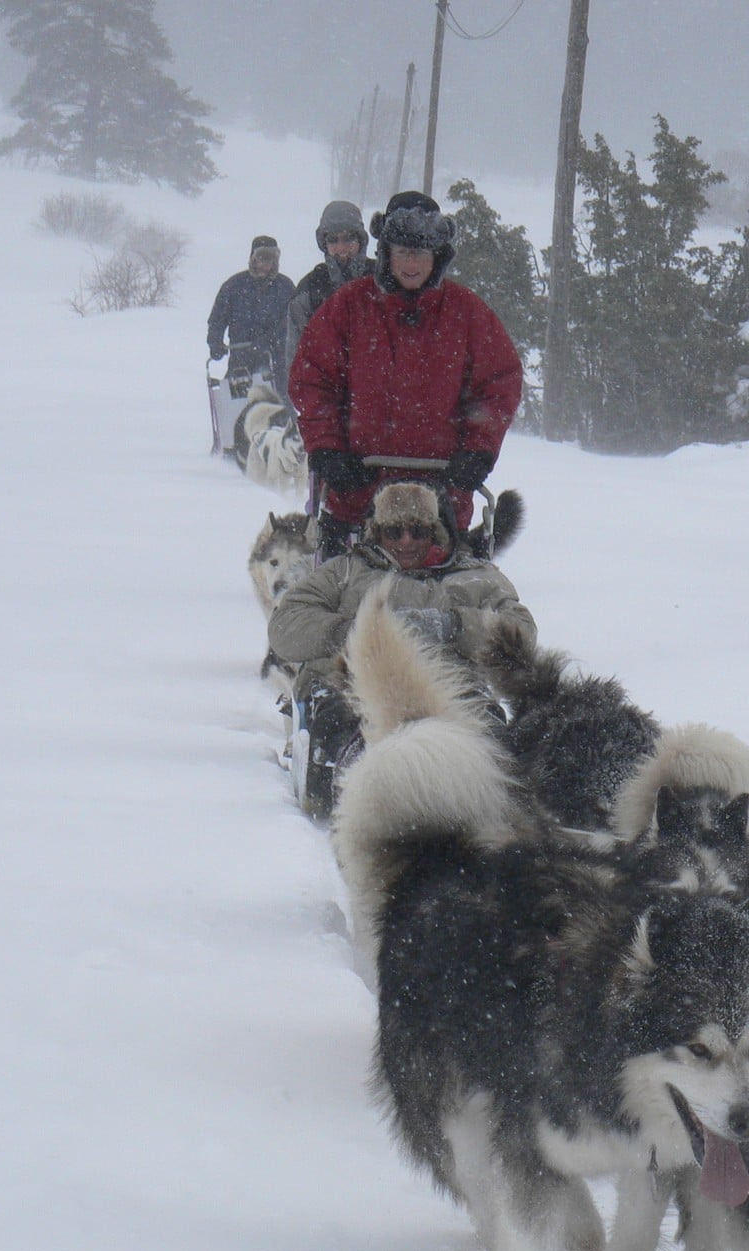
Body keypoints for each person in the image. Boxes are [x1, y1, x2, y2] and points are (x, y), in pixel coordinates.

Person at [268, 478, 536, 818]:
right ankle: (367, 795)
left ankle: (481, 804)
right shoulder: (347, 572)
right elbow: (285, 625)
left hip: (452, 690)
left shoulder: (476, 577)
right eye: (394, 532)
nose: (406, 541)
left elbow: (522, 631)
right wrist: (356, 630)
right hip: (356, 686)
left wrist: (452, 625)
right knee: (346, 727)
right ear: (377, 533)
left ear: (435, 531)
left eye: (417, 531)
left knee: (494, 739)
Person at [288, 190, 524, 560]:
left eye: (421, 253)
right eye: (402, 252)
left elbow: (498, 385)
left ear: (437, 256)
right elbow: (312, 380)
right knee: (332, 610)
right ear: (386, 254)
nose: (411, 263)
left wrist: (478, 451)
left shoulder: (467, 313)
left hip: (440, 505)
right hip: (356, 495)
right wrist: (327, 448)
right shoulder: (348, 307)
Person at [281, 201, 375, 382]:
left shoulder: (383, 280)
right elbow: (297, 365)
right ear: (324, 243)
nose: (341, 248)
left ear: (361, 240)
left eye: (349, 238)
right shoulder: (309, 291)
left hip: (383, 399)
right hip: (329, 400)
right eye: (333, 240)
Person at [207, 235, 296, 395]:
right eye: (261, 258)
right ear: (253, 259)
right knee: (237, 411)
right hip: (240, 362)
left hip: (275, 363)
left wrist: (270, 341)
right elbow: (217, 319)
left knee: (278, 411)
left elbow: (292, 323)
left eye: (270, 259)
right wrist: (215, 342)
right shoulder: (234, 286)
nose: (265, 264)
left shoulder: (285, 288)